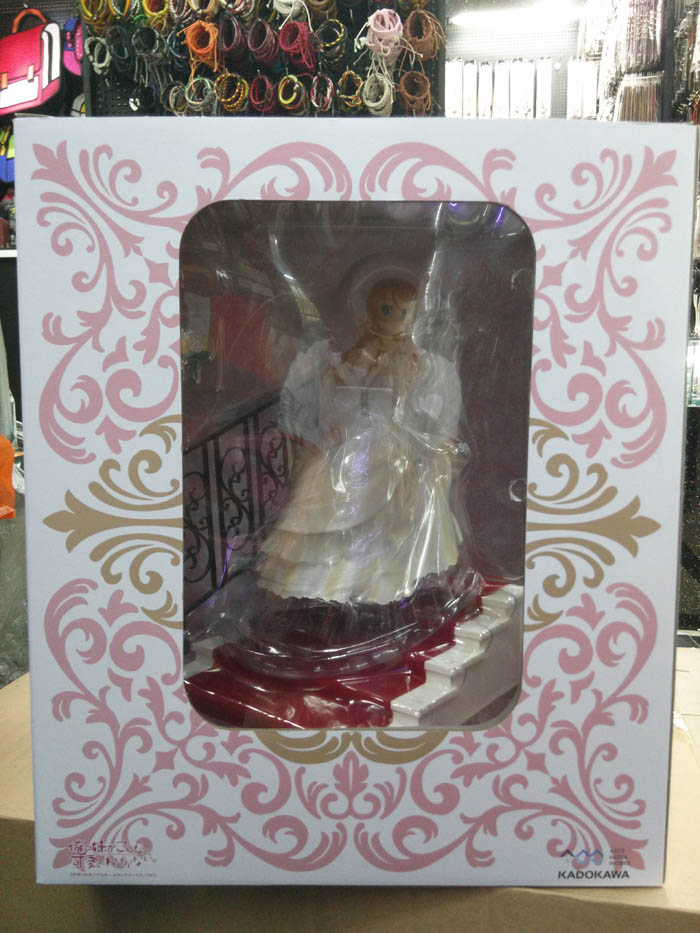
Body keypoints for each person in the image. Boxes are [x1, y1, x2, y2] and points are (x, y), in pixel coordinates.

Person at [220, 276, 482, 679]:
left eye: (406, 312)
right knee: (328, 530)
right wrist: (321, 432)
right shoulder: (345, 357)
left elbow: (426, 414)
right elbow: (319, 402)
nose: (398, 319)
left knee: (388, 535)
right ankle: (335, 607)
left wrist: (432, 449)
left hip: (392, 458)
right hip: (345, 458)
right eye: (389, 310)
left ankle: (379, 607)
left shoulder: (420, 364)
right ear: (372, 311)